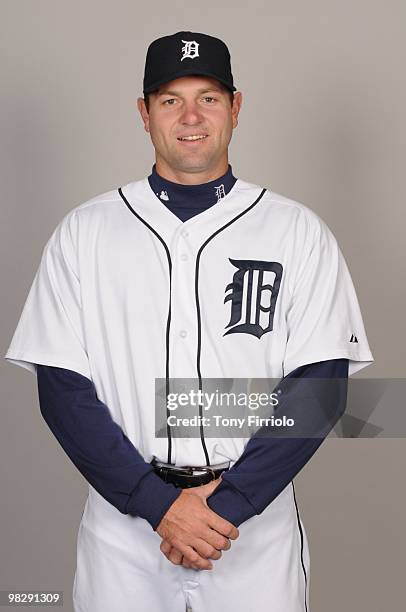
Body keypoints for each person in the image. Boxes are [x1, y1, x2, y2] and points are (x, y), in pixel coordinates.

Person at [5, 30, 374, 612]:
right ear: (144, 113)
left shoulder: (296, 231)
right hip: (124, 529)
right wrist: (158, 506)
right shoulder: (85, 232)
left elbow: (321, 385)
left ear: (236, 107)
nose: (191, 115)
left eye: (208, 96)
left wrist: (223, 510)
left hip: (254, 528)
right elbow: (62, 392)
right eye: (170, 99)